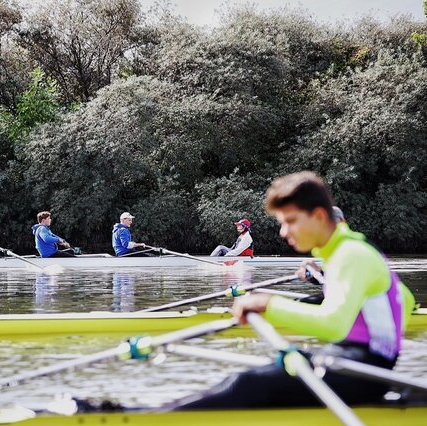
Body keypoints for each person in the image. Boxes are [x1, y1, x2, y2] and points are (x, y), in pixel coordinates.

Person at [171, 171, 415, 410]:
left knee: (247, 384)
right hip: (356, 363)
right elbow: (405, 298)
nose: (284, 232)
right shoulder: (345, 250)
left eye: (291, 221)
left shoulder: (350, 254)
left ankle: (149, 419)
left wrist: (268, 304)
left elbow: (333, 325)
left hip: (364, 372)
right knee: (253, 376)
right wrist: (386, 342)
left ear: (319, 216)